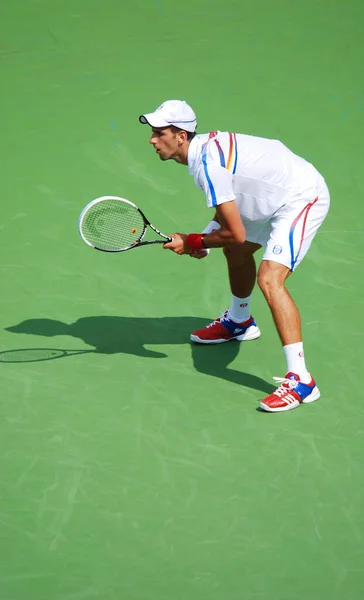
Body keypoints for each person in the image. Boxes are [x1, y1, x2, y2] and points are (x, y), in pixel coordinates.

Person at [139, 100, 330, 412]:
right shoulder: (202, 153)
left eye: (159, 133)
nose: (152, 139)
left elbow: (236, 232)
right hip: (266, 194)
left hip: (300, 196)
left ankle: (301, 380)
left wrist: (192, 240)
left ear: (181, 136)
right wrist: (204, 236)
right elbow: (230, 202)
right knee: (234, 251)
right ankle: (240, 321)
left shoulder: (206, 165)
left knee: (270, 279)